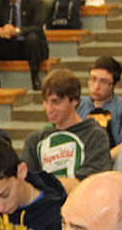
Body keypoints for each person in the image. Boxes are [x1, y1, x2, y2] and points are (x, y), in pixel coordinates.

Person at [21, 69, 113, 197]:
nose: (49, 109)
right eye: (46, 101)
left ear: (74, 100)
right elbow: (25, 184)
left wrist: (43, 184)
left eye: (55, 102)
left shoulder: (95, 136)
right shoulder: (35, 140)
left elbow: (92, 184)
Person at [78, 56, 122, 152]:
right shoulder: (78, 104)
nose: (96, 86)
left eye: (103, 82)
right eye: (93, 79)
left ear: (115, 84)